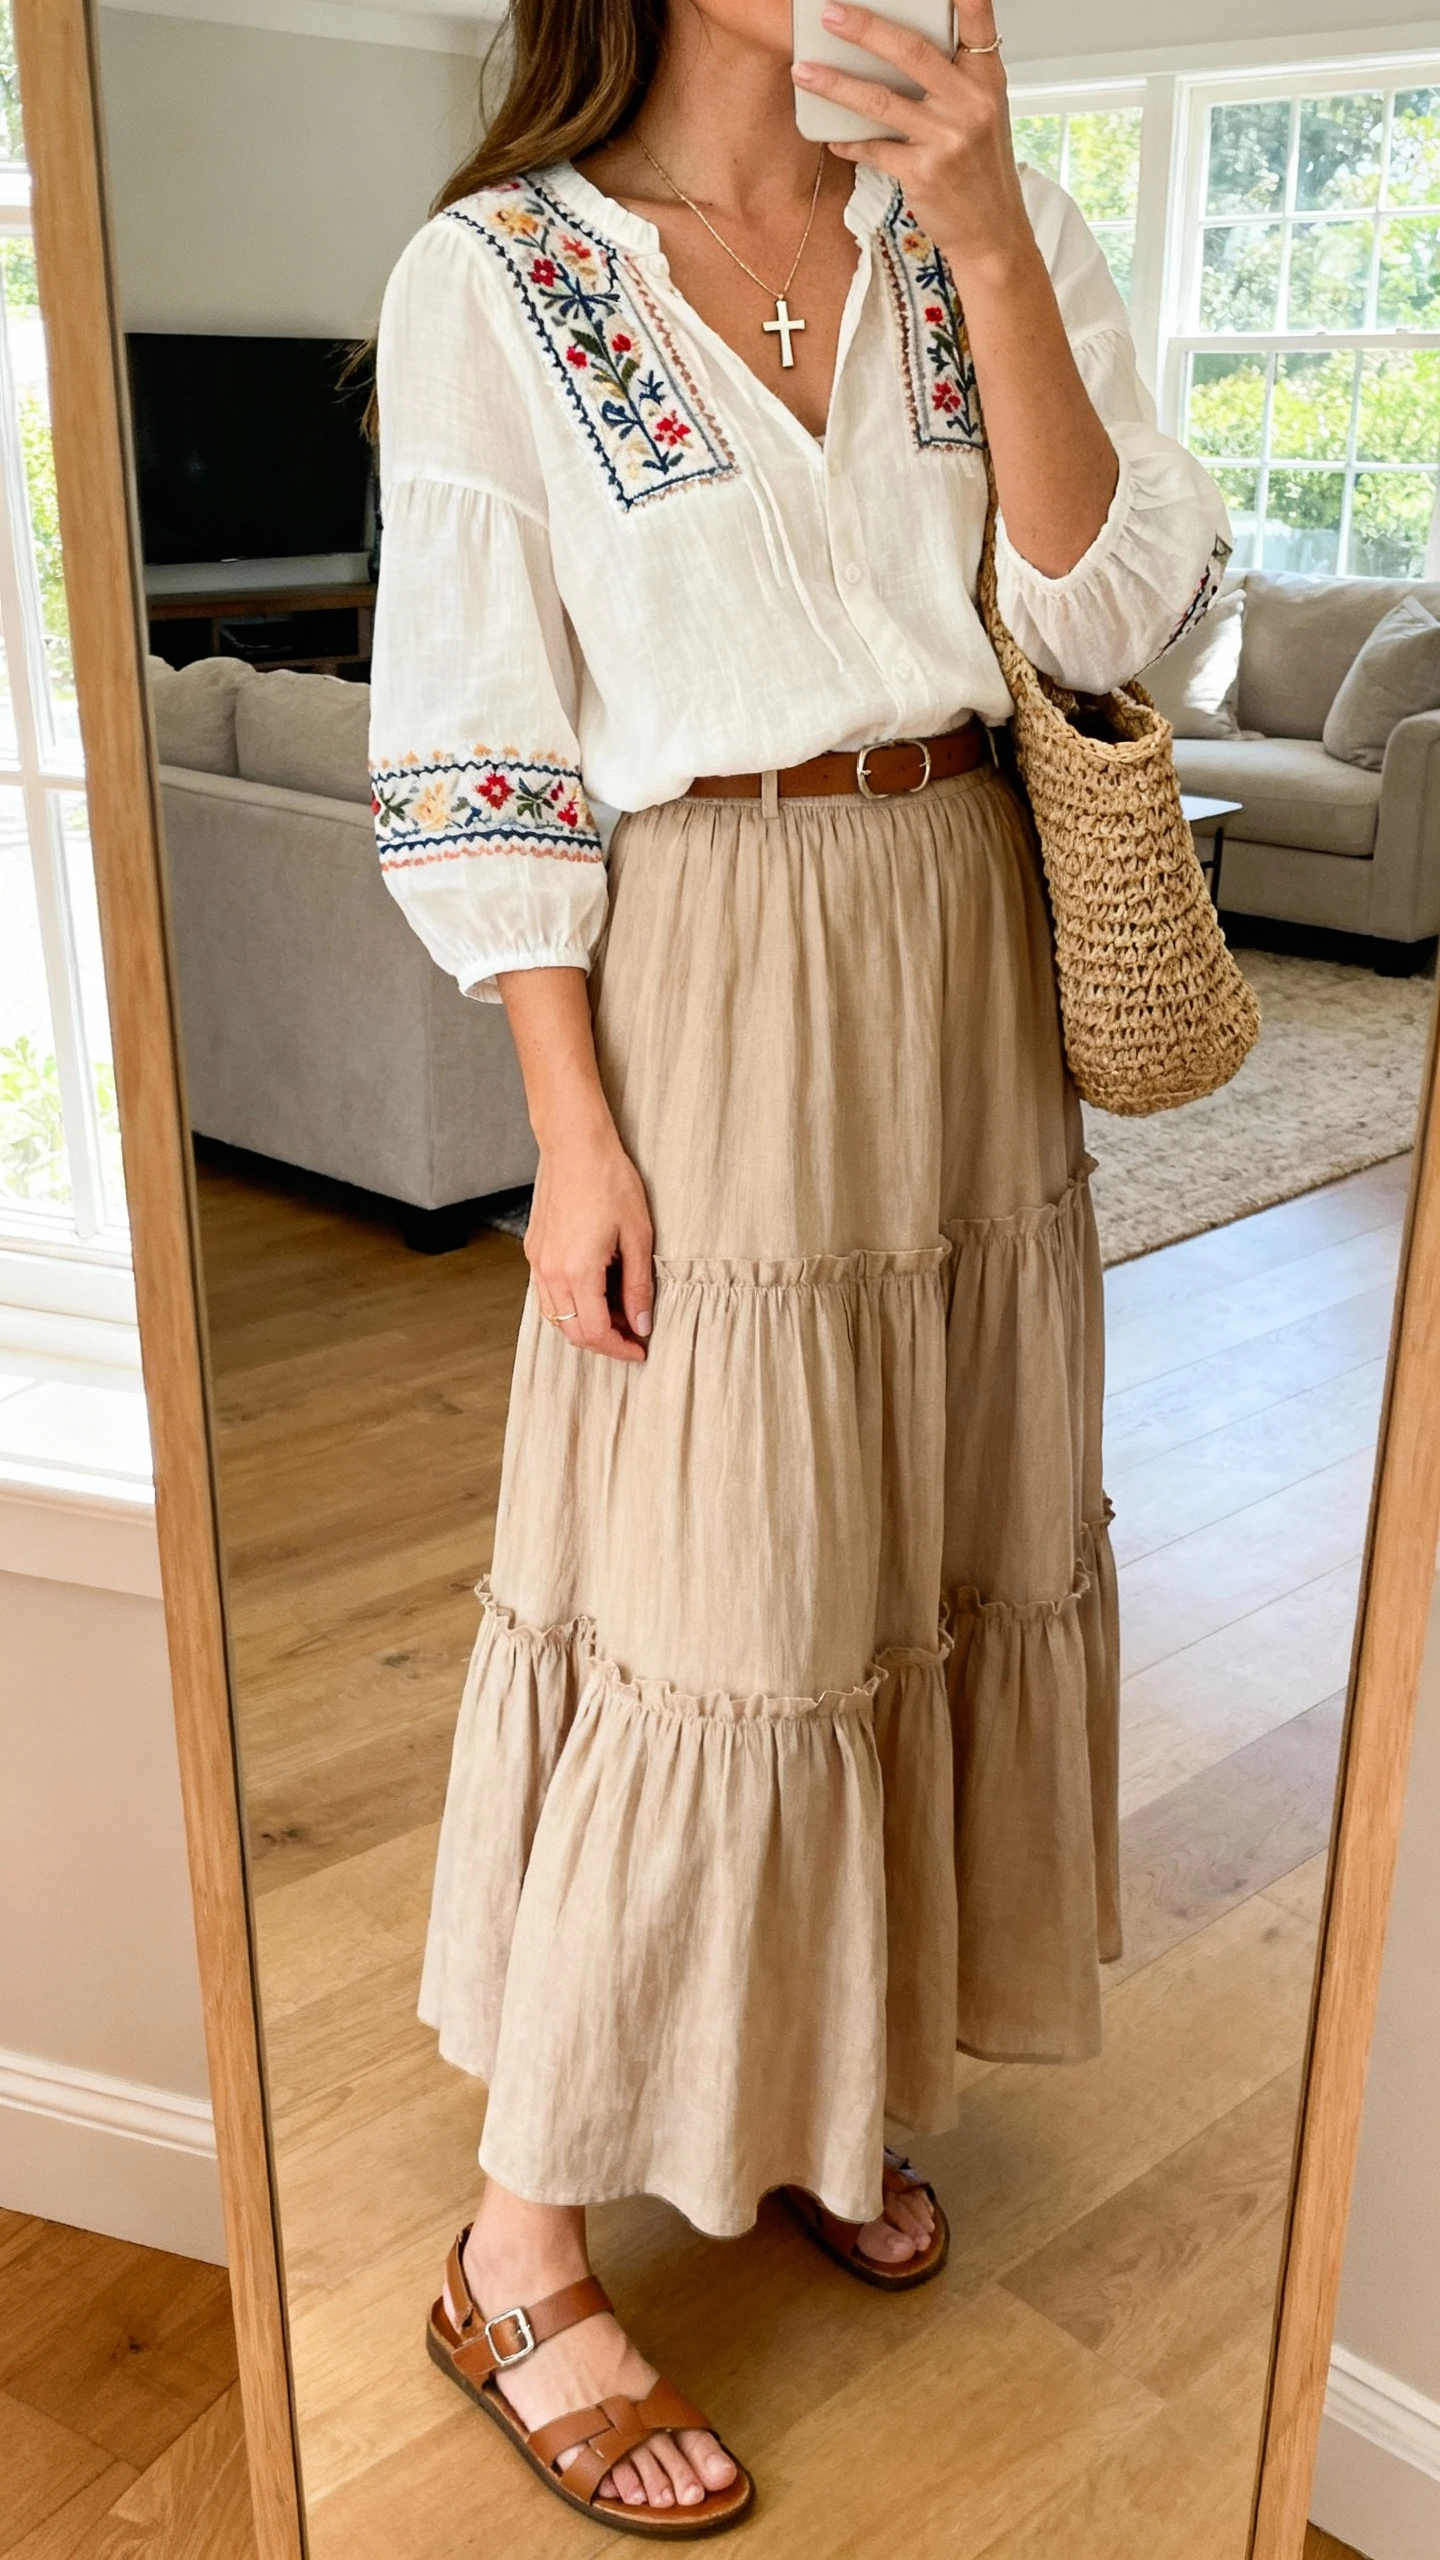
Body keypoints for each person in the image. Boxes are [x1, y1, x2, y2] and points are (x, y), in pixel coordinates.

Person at [367, 0, 1229, 2531]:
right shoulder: (499, 276)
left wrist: (977, 226)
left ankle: (823, 2080)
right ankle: (520, 2245)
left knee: (925, 1554)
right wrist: (570, 1125)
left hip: (970, 934)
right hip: (713, 964)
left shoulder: (996, 221)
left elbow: (1108, 611)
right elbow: (478, 730)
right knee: (711, 1592)